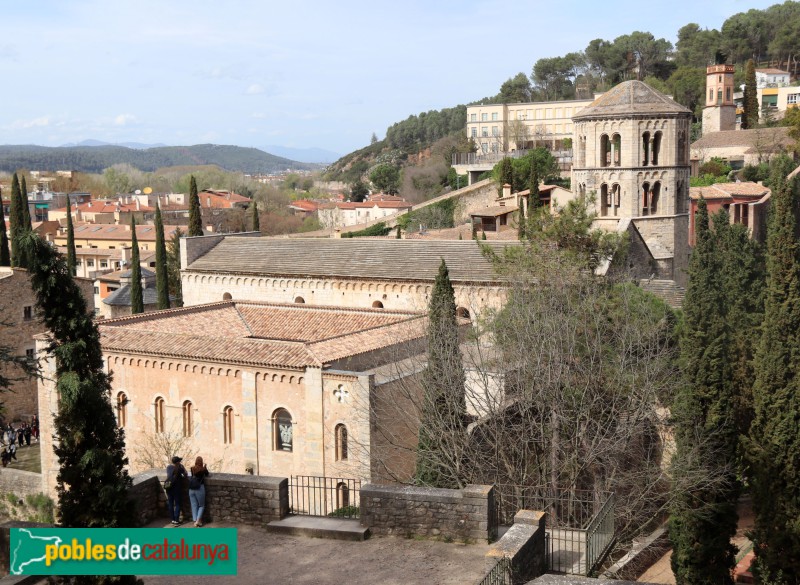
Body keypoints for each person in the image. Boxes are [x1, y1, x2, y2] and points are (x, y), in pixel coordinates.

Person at [188, 456, 210, 527]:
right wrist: (205, 467)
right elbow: (207, 474)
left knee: (194, 505)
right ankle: (198, 521)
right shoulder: (203, 469)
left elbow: (193, 475)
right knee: (201, 505)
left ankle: (195, 520)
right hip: (199, 488)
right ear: (201, 462)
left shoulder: (192, 468)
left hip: (191, 489)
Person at [165, 455, 187, 525]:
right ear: (177, 462)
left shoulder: (168, 467)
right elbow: (184, 476)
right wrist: (183, 468)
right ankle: (177, 520)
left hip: (169, 487)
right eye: (179, 461)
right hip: (176, 488)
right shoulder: (180, 468)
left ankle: (173, 519)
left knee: (170, 504)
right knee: (177, 504)